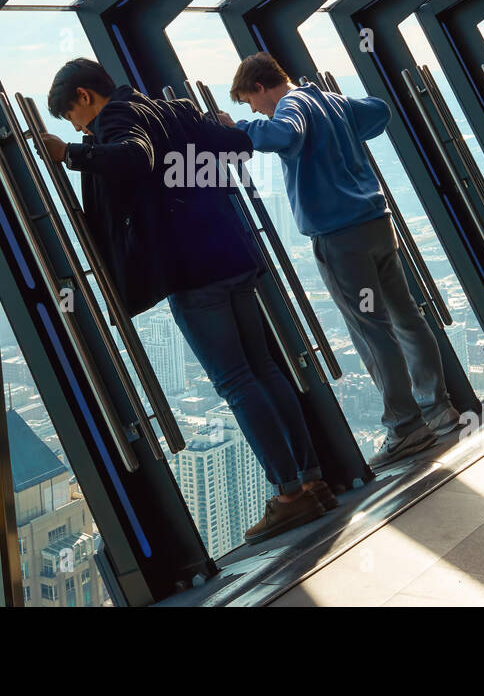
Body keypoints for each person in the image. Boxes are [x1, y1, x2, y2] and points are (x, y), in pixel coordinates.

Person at [40, 58, 334, 542]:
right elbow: (235, 145)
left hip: (192, 270)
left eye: (72, 116)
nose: (76, 126)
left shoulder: (117, 119)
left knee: (237, 381)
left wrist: (70, 154)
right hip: (234, 252)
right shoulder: (173, 110)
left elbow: (135, 158)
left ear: (86, 97)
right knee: (264, 370)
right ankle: (312, 480)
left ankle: (289, 495)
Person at [223, 52, 458, 470]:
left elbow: (281, 135)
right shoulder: (328, 100)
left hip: (342, 241)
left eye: (250, 101)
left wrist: (239, 129)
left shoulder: (292, 106)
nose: (254, 108)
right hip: (378, 226)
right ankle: (437, 409)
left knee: (372, 329)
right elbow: (378, 112)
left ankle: (405, 428)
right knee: (407, 317)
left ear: (260, 87)